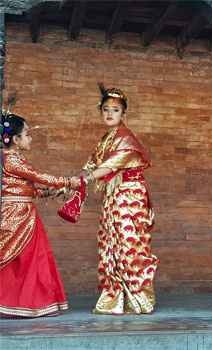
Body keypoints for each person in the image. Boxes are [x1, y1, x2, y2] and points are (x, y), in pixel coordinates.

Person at [81, 84, 158, 315]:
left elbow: (107, 167)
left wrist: (82, 180)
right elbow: (91, 166)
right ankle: (115, 298)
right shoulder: (106, 139)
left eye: (115, 110)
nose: (109, 114)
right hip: (113, 197)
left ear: (124, 114)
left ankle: (139, 299)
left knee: (130, 244)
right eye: (105, 109)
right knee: (111, 245)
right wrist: (70, 182)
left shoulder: (127, 140)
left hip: (130, 197)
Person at [0, 113, 80, 317]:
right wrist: (69, 181)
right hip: (17, 215)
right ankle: (20, 303)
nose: (30, 138)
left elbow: (29, 189)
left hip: (24, 213)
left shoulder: (13, 160)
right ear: (16, 140)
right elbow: (40, 177)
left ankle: (24, 303)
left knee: (29, 259)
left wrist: (52, 192)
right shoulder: (12, 161)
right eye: (27, 134)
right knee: (22, 259)